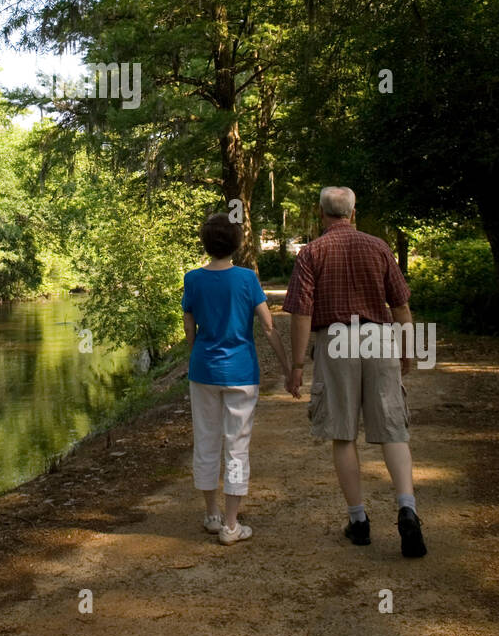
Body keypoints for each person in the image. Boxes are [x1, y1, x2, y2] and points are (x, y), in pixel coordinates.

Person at [283, 186, 427, 557]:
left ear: (320, 214)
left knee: (343, 432)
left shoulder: (311, 252)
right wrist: (408, 349)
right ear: (353, 212)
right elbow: (401, 306)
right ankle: (407, 508)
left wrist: (298, 366)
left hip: (335, 338)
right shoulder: (378, 246)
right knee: (393, 428)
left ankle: (359, 521)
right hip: (378, 337)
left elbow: (301, 313)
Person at [182, 212, 292, 545]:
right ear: (236, 244)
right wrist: (289, 367)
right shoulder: (246, 279)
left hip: (203, 371)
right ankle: (231, 525)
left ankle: (212, 514)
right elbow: (268, 327)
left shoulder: (192, 279)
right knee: (236, 446)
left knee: (206, 441)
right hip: (242, 372)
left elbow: (190, 328)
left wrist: (196, 354)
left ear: (205, 243)